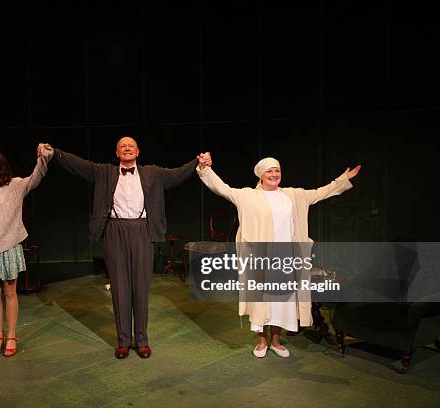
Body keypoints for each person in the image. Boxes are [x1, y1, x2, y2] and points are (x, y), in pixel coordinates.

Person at [40, 137, 202, 359]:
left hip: (143, 230)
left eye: (131, 145)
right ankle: (124, 341)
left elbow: (177, 174)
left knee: (141, 287)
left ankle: (142, 340)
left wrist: (197, 162)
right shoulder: (104, 172)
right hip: (115, 230)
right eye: (122, 146)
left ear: (137, 151)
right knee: (119, 287)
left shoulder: (153, 173)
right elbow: (78, 164)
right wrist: (54, 152)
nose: (127, 148)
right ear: (117, 152)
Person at [197, 153, 360, 358]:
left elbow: (320, 193)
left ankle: (276, 341)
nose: (275, 174)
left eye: (277, 170)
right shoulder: (248, 196)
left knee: (282, 304)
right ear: (261, 175)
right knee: (262, 302)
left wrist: (342, 180)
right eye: (270, 171)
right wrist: (205, 169)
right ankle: (262, 341)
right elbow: (222, 188)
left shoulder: (293, 195)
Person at [0, 144, 53, 357]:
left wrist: (44, 158)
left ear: (0, 163)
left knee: (10, 291)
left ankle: (12, 335)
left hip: (8, 246)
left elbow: (35, 178)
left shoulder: (14, 185)